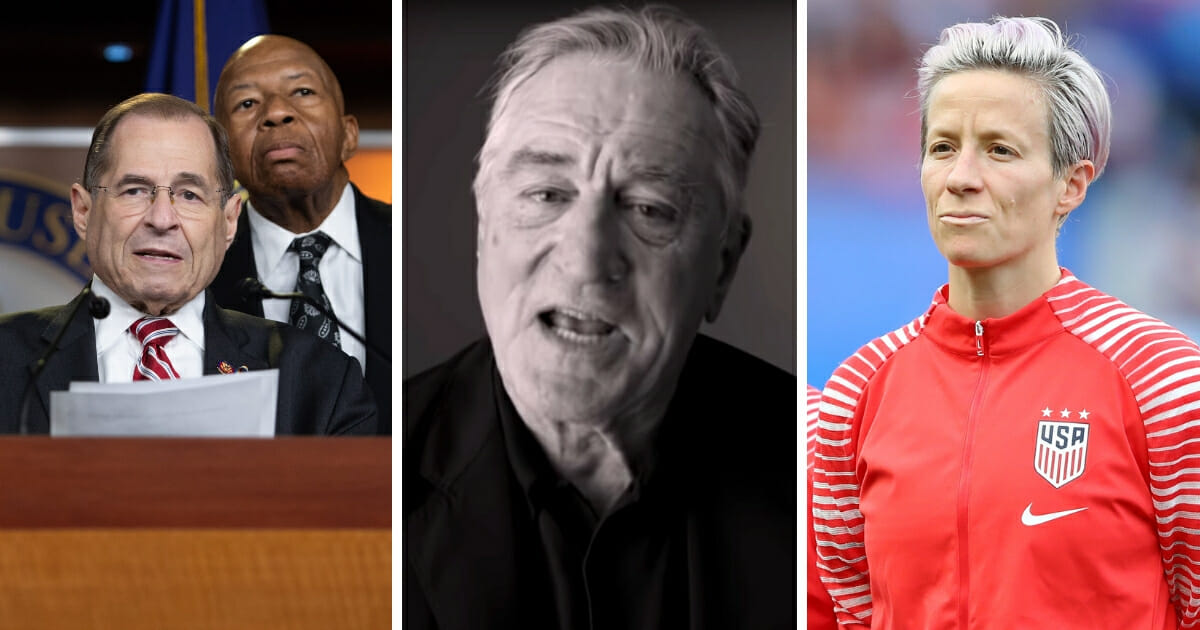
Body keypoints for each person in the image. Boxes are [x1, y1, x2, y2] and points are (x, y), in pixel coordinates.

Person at [403, 5, 795, 629]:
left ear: (722, 266)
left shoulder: (835, 480)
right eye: (547, 195)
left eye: (649, 208)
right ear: (484, 226)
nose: (586, 259)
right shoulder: (357, 480)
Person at [812, 16, 1200, 628]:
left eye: (1000, 149)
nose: (961, 178)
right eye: (942, 147)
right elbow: (847, 613)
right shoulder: (854, 395)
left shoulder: (1163, 379)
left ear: (1070, 185)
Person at [0, 93, 376, 436]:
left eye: (189, 195)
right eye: (134, 190)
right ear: (83, 210)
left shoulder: (320, 379)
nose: (162, 219)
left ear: (229, 220)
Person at [208, 35, 392, 435]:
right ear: (222, 156)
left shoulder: (417, 245)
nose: (275, 112)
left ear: (348, 135)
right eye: (247, 103)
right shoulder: (196, 273)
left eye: (302, 91)